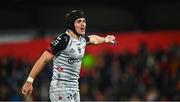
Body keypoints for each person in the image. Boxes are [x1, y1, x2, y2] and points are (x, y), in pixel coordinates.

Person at [21, 9, 116, 101]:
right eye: (79, 21)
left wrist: (106, 39)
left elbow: (93, 39)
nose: (83, 24)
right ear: (72, 24)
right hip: (60, 88)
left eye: (84, 21)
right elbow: (43, 59)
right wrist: (29, 81)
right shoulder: (63, 40)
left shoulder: (82, 39)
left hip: (74, 88)